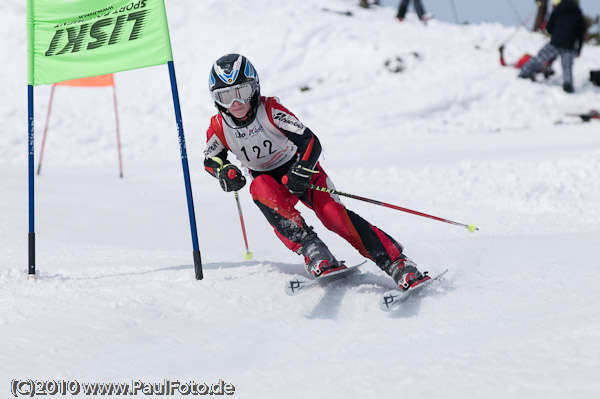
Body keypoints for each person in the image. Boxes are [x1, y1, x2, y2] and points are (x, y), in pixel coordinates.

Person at [203, 54, 431, 291]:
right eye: (226, 96)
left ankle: (398, 263)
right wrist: (224, 171)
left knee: (333, 216)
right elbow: (211, 159)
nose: (235, 103)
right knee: (258, 186)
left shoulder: (270, 109)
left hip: (302, 173)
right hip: (271, 183)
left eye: (242, 92)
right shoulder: (219, 126)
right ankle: (313, 250)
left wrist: (302, 168)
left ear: (255, 88)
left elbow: (309, 140)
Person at [518, 0, 586, 93]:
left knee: (540, 57)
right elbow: (581, 32)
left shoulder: (558, 9)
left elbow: (549, 26)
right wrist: (579, 49)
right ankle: (568, 84)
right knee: (567, 67)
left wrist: (556, 34)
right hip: (569, 45)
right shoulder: (577, 11)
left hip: (556, 42)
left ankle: (524, 72)